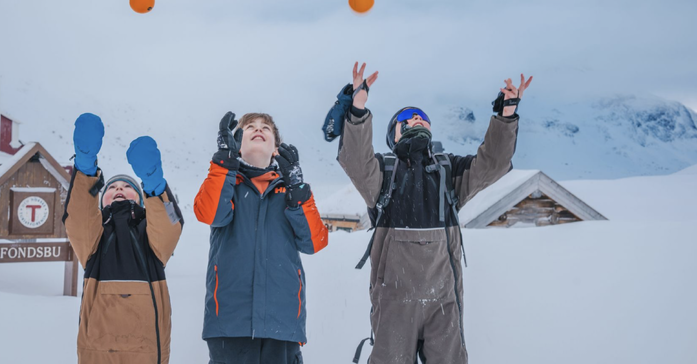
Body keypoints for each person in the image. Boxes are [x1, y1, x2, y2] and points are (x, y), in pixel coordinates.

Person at [337, 63, 532, 364]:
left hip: (444, 299)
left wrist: (506, 116)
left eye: (423, 117)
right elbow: (356, 162)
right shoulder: (384, 172)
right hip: (394, 300)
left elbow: (491, 164)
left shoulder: (448, 169)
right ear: (393, 135)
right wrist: (358, 110)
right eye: (406, 117)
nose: (416, 118)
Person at [194, 111, 329, 364]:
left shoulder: (290, 191)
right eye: (250, 127)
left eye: (266, 128)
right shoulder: (226, 183)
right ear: (237, 143)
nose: (259, 129)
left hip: (282, 323)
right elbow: (209, 213)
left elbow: (314, 241)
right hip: (229, 324)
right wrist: (224, 160)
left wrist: (297, 188)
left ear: (276, 147)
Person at [63, 113, 183, 364]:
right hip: (97, 351)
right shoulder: (94, 236)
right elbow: (78, 218)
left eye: (128, 187)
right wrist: (85, 169)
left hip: (148, 350)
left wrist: (155, 186)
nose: (119, 189)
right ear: (101, 199)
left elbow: (171, 224)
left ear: (140, 198)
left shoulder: (150, 236)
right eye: (113, 188)